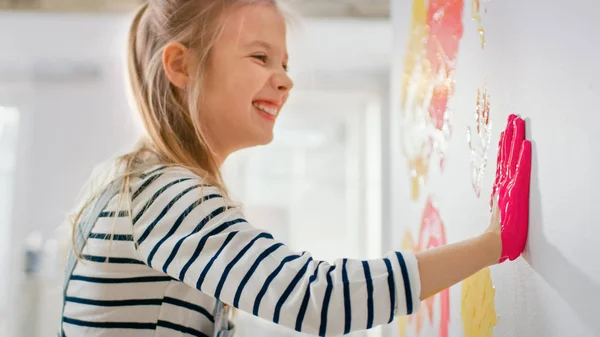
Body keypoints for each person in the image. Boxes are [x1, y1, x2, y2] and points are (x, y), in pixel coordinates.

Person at [59, 0, 532, 336]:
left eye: (283, 62)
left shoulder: (136, 184)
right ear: (181, 65)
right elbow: (317, 299)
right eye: (260, 57)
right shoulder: (166, 195)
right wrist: (493, 244)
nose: (285, 80)